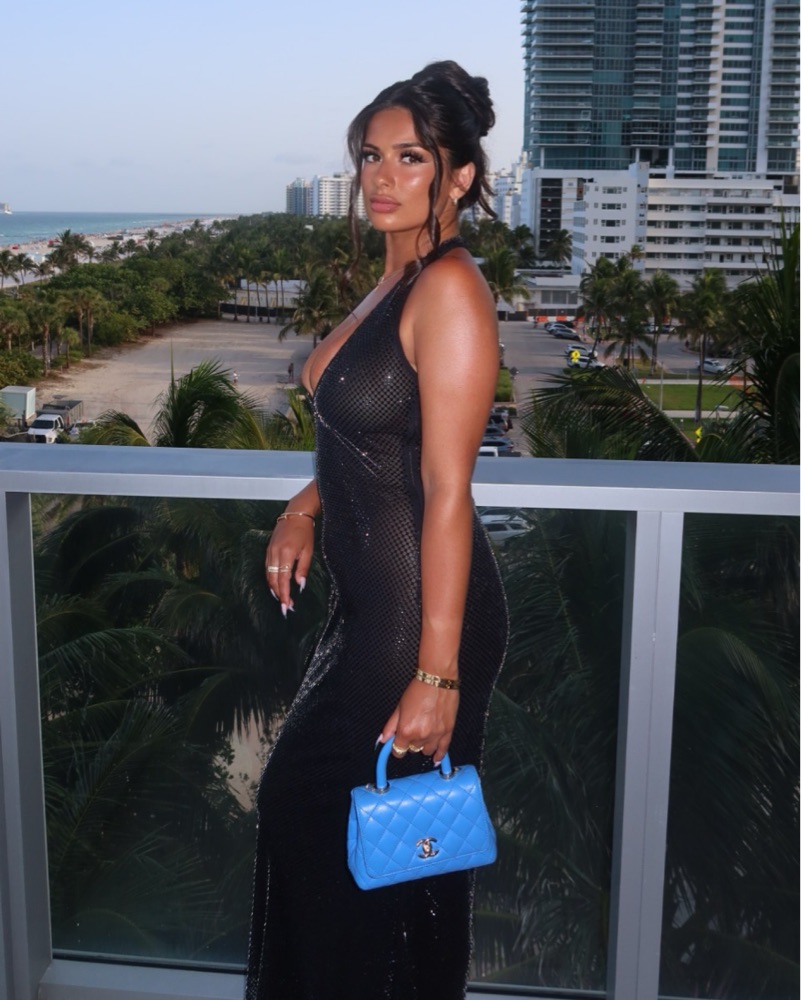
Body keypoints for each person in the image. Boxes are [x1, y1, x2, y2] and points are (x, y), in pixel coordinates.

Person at [246, 61, 508, 1000]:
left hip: (418, 619)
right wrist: (305, 505)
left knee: (326, 819)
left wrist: (436, 675)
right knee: (365, 844)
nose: (382, 177)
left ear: (459, 176)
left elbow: (445, 488)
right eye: (370, 156)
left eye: (410, 157)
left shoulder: (451, 291)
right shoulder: (393, 279)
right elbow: (372, 436)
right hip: (372, 608)